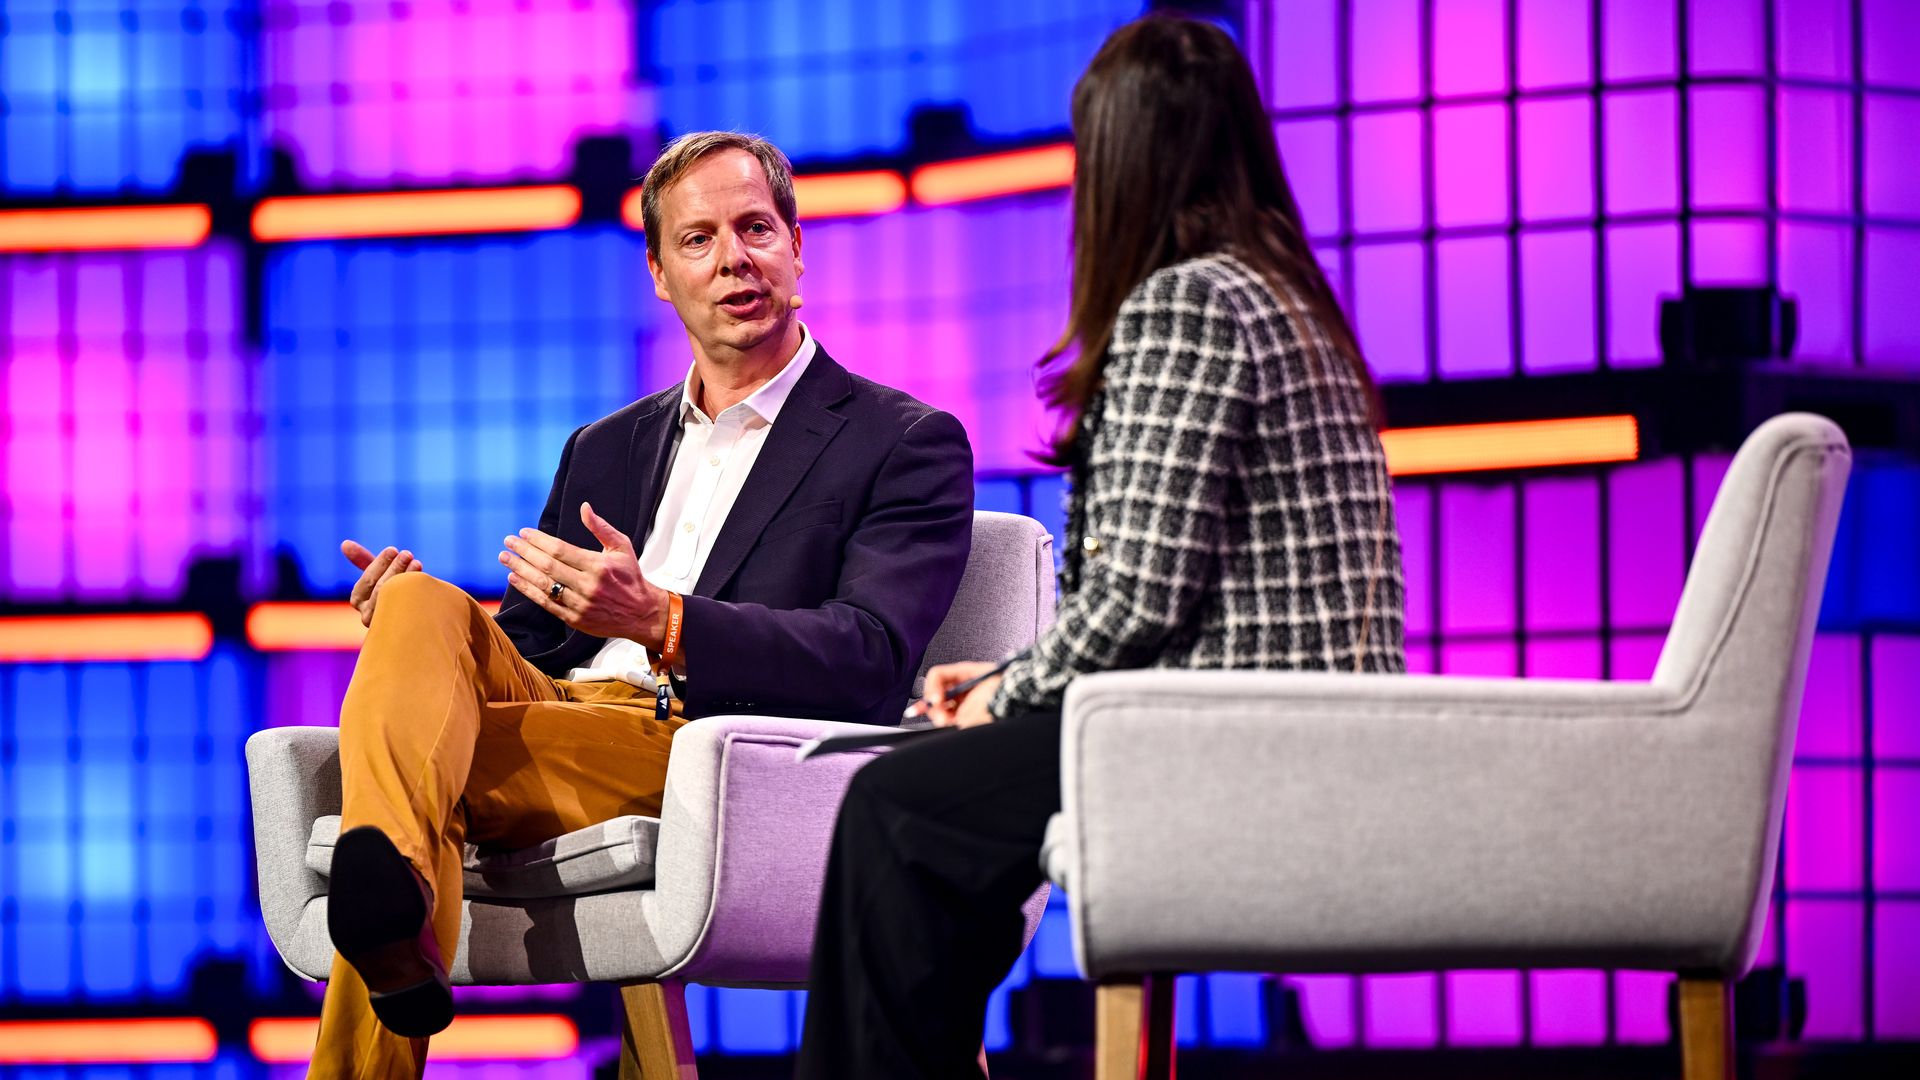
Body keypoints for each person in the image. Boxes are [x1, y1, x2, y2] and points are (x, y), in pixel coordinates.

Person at [794, 14, 1406, 1078]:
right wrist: (1007, 682)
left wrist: (1000, 695)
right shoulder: (1289, 296)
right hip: (1308, 725)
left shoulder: (1187, 304)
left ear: (1118, 159)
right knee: (936, 822)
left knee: (892, 810)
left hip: (1230, 737)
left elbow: (1137, 604)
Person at [310, 131, 975, 1078]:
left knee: (404, 795)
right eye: (698, 240)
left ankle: (389, 890)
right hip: (563, 713)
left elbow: (868, 657)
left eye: (755, 229)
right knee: (418, 605)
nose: (734, 258)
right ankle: (390, 895)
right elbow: (528, 647)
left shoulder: (899, 439)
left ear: (797, 248)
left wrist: (662, 620)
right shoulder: (605, 446)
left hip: (706, 742)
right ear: (661, 275)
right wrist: (408, 635)